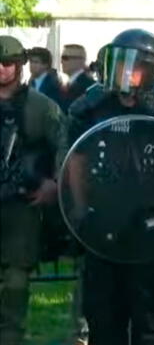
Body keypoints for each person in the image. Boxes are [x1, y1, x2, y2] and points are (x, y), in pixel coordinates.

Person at [64, 28, 154, 345]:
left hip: (150, 228)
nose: (124, 71)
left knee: (149, 320)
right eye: (118, 63)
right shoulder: (93, 105)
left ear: (151, 68)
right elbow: (75, 160)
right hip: (103, 226)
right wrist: (81, 210)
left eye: (132, 64)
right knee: (102, 317)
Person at [0, 35, 64, 345]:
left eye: (7, 63)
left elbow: (65, 151)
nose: (1, 69)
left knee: (16, 278)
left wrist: (54, 184)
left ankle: (10, 337)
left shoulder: (41, 107)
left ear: (20, 65)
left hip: (22, 204)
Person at [59, 44, 95, 113]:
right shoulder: (69, 84)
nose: (61, 62)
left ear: (81, 60)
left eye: (65, 58)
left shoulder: (87, 86)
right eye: (62, 58)